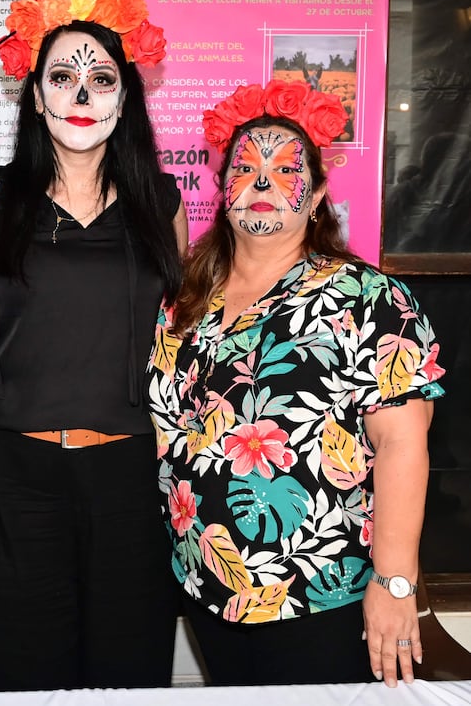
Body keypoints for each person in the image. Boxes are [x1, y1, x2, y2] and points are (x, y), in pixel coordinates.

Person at [146, 80, 446, 688]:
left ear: (317, 197)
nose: (261, 184)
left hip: (318, 598)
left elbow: (402, 444)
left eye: (285, 170)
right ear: (222, 188)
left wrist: (394, 584)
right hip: (204, 590)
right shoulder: (183, 299)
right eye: (245, 168)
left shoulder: (370, 300)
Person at [0, 0, 187, 691]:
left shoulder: (161, 204)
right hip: (11, 478)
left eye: (102, 77)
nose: (82, 95)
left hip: (130, 479)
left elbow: (176, 339)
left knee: (128, 670)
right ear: (36, 92)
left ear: (126, 94)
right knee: (25, 673)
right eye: (63, 76)